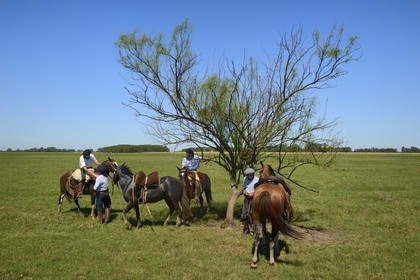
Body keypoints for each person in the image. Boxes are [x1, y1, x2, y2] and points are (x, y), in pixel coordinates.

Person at [241, 168, 259, 234]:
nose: (248, 176)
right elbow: (244, 187)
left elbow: (258, 190)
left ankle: (254, 229)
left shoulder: (257, 180)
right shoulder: (245, 179)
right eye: (247, 175)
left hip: (254, 198)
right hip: (246, 197)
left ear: (252, 174)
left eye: (250, 175)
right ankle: (246, 229)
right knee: (244, 214)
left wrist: (253, 193)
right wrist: (244, 191)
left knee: (253, 214)